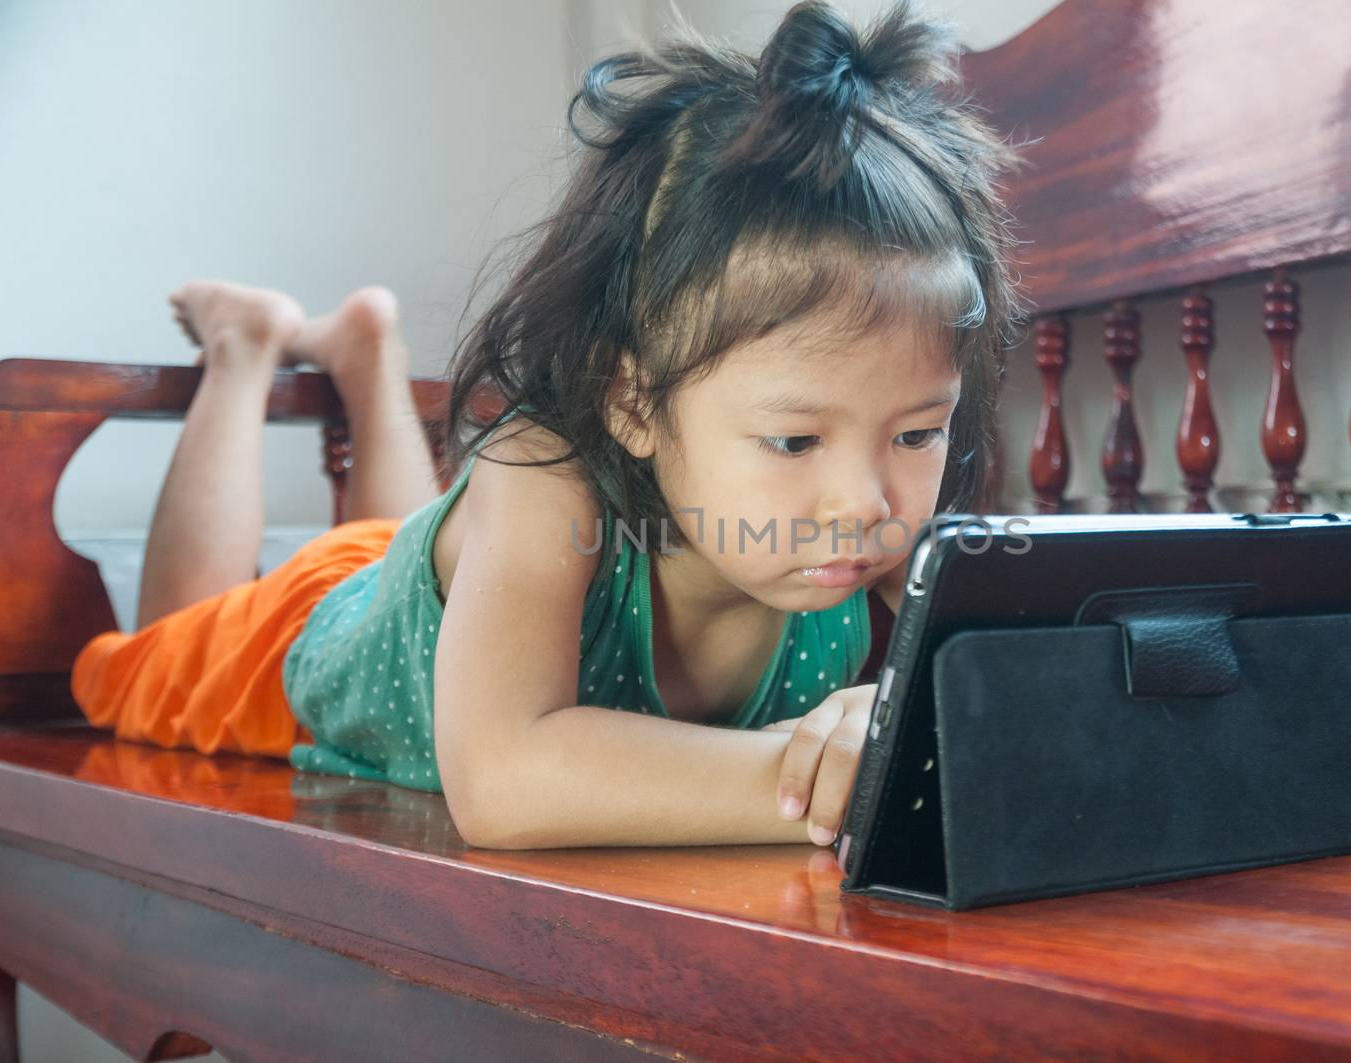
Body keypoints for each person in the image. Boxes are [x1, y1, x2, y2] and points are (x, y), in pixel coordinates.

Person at [69, 0, 1030, 851]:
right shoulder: (547, 461)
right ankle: (247, 347)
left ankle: (369, 361)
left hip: (445, 575)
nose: (867, 503)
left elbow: (1022, 703)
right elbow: (502, 782)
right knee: (141, 665)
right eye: (793, 441)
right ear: (632, 403)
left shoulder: (881, 534)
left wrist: (897, 724)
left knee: (401, 548)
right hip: (298, 639)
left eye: (915, 434)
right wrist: (828, 777)